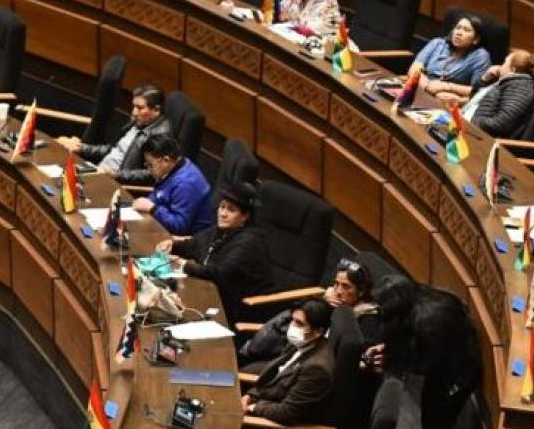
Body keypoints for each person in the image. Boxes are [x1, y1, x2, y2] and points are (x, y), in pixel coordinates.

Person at [374, 274, 482, 429]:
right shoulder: (415, 300)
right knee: (428, 420)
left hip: (457, 376)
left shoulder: (430, 320)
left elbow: (425, 365)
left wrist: (394, 358)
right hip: (443, 368)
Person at [155, 181, 273, 326]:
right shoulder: (223, 229)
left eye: (231, 210)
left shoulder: (250, 242)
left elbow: (219, 273)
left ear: (245, 217)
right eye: (222, 206)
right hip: (211, 294)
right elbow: (195, 244)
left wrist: (183, 264)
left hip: (236, 310)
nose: (223, 213)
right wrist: (173, 246)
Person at [237, 257, 380, 370]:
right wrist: (322, 304)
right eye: (336, 284)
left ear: (361, 291)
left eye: (346, 287)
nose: (338, 291)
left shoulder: (367, 319)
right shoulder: (330, 303)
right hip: (291, 352)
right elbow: (296, 320)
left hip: (311, 368)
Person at [242, 298, 336, 426]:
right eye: (293, 319)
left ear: (318, 332)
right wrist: (249, 396)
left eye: (299, 323)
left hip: (272, 426)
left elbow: (287, 413)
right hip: (265, 402)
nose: (292, 326)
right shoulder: (302, 342)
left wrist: (253, 407)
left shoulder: (317, 369)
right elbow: (273, 378)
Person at [57, 84, 173, 184]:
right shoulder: (136, 121)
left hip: (117, 183)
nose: (134, 112)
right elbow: (112, 149)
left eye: (140, 108)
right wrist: (81, 148)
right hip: (99, 171)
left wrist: (116, 174)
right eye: (134, 106)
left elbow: (152, 174)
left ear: (156, 110)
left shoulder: (162, 134)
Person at [132, 133, 213, 235]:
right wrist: (147, 203)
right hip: (161, 225)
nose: (148, 169)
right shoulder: (174, 167)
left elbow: (179, 226)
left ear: (166, 160)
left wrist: (152, 208)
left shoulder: (185, 183)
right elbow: (158, 195)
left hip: (183, 241)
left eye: (150, 165)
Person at [460, 49, 534, 138]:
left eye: (504, 63)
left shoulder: (520, 88)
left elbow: (501, 123)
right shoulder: (509, 81)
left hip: (475, 135)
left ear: (512, 70)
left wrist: (470, 123)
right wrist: (485, 78)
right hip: (465, 124)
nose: (500, 66)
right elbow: (475, 97)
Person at [410, 16, 492, 101]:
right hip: (421, 90)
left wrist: (446, 87)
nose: (459, 33)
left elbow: (478, 91)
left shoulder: (480, 56)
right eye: (458, 28)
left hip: (449, 101)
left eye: (466, 30)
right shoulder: (437, 43)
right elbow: (414, 69)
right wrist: (429, 89)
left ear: (476, 39)